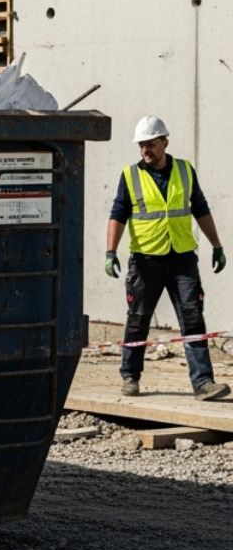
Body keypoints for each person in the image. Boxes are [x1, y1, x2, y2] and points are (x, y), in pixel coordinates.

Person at [105, 115, 230, 401]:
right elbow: (118, 214)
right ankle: (130, 376)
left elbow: (200, 208)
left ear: (164, 142)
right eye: (141, 146)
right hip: (145, 259)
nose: (145, 151)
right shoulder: (129, 175)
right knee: (138, 319)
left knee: (192, 317)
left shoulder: (185, 170)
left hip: (182, 258)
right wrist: (110, 252)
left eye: (150, 144)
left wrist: (217, 245)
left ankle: (203, 383)